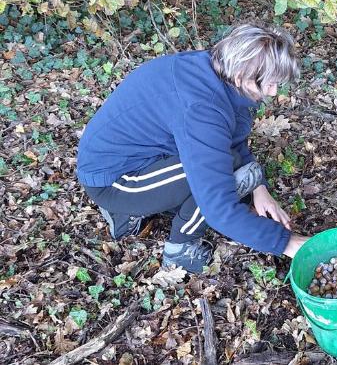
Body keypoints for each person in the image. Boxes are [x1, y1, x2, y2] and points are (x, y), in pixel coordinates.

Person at [76, 24, 309, 273]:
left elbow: (231, 134)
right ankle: (180, 249)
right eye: (270, 84)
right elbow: (218, 208)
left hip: (147, 156)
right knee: (223, 176)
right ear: (242, 74)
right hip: (114, 181)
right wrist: (288, 243)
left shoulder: (215, 71)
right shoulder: (200, 108)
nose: (273, 93)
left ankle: (133, 211)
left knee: (236, 169)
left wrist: (259, 188)